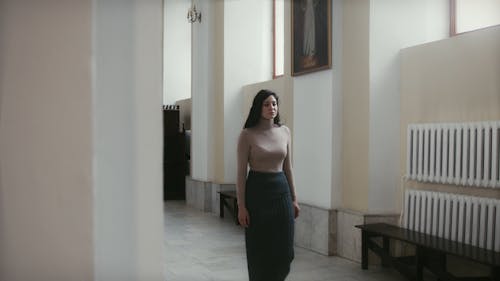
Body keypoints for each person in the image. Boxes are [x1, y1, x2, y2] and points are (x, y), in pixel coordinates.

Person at [236, 89, 300, 281]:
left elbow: (288, 168)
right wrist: (241, 207)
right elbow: (240, 174)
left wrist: (294, 199)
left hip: (281, 192)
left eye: (274, 104)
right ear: (258, 108)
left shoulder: (285, 131)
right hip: (257, 193)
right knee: (260, 250)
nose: (271, 107)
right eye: (266, 104)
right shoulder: (247, 135)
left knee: (285, 252)